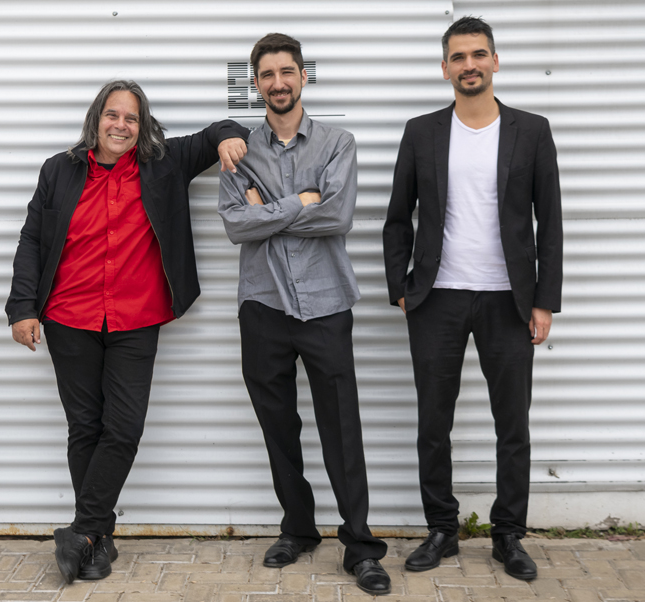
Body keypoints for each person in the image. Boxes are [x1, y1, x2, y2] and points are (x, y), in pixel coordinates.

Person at [6, 80, 249, 584]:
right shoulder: (60, 169)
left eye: (131, 119)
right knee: (85, 428)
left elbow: (219, 130)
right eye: (112, 115)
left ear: (143, 127)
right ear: (96, 119)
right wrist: (22, 308)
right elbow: (33, 238)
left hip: (136, 317)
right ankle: (98, 537)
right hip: (68, 317)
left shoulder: (164, 163)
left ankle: (82, 529)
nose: (121, 125)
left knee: (123, 428)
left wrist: (229, 137)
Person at [383, 16, 563, 582]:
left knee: (513, 423)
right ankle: (442, 528)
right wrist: (402, 291)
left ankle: (508, 535)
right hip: (438, 298)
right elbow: (396, 218)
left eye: (478, 54)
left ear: (495, 61)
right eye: (458, 57)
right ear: (444, 68)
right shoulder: (423, 132)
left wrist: (544, 301)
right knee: (433, 422)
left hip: (510, 299)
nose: (469, 65)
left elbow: (549, 221)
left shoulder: (531, 131)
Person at [217, 33, 390, 596]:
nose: (278, 83)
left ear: (303, 77)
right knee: (278, 425)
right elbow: (233, 224)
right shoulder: (239, 150)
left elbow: (337, 216)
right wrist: (302, 202)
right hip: (262, 305)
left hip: (325, 304)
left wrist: (268, 209)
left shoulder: (338, 143)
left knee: (341, 426)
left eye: (286, 72)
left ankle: (360, 544)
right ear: (255, 83)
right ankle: (298, 527)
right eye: (266, 74)